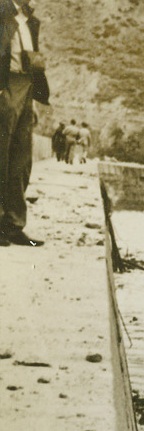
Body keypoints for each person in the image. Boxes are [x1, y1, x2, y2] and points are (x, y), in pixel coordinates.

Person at [0, 0, 48, 247]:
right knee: (2, 155)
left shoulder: (29, 20)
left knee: (21, 159)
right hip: (5, 85)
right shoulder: (3, 12)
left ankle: (13, 225)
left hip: (26, 87)